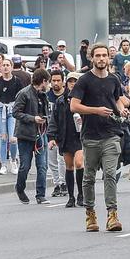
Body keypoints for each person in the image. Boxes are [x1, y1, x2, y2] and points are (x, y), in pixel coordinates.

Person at [70, 44, 130, 232]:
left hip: (111, 134)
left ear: (108, 59)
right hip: (90, 136)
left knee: (110, 174)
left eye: (105, 55)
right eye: (98, 55)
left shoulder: (114, 79)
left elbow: (118, 99)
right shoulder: (84, 81)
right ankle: (90, 214)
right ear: (92, 58)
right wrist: (95, 110)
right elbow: (74, 105)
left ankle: (112, 215)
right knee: (88, 177)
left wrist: (122, 109)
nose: (102, 59)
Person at [13, 68, 52, 204]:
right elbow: (16, 112)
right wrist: (33, 118)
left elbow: (45, 112)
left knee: (42, 166)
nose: (49, 86)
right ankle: (20, 188)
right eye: (48, 82)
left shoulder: (43, 95)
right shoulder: (24, 94)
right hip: (25, 134)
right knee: (25, 166)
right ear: (44, 81)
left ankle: (40, 194)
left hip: (41, 133)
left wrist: (46, 120)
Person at [49, 71, 85, 207]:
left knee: (79, 163)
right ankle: (71, 197)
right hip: (65, 137)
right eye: (70, 81)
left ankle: (81, 194)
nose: (72, 84)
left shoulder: (85, 98)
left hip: (81, 137)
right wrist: (52, 137)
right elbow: (54, 120)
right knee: (69, 167)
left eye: (75, 81)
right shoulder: (61, 101)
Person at [0, 58, 22, 175]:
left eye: (8, 65)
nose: (5, 67)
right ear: (0, 67)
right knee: (3, 138)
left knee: (13, 139)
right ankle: (3, 164)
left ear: (12, 67)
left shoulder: (17, 81)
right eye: (3, 65)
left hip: (12, 110)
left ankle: (13, 161)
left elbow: (21, 98)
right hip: (0, 109)